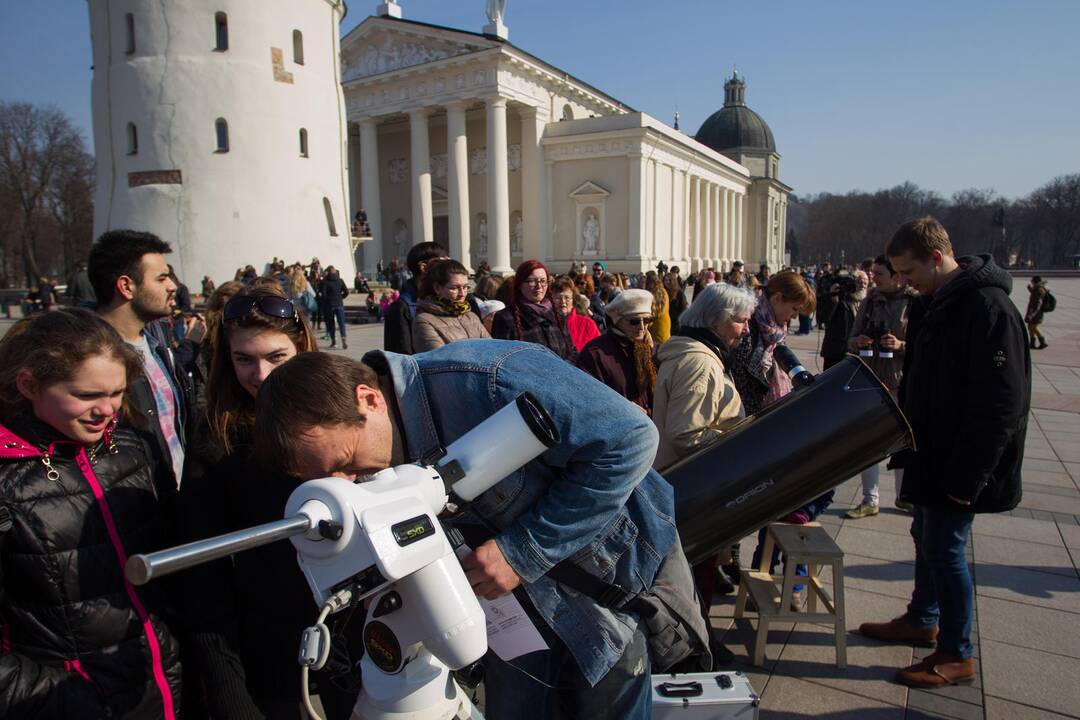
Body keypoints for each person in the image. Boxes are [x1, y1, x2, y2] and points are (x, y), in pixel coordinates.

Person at [252, 344, 680, 719]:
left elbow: (630, 437)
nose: (349, 483)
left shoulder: (484, 379)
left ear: (369, 400)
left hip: (603, 597)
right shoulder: (359, 458)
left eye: (345, 461)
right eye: (329, 480)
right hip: (508, 624)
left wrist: (522, 552)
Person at [859, 218, 1030, 689]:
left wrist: (967, 480)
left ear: (937, 257)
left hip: (960, 463)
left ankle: (956, 653)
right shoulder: (940, 300)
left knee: (945, 550)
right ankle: (922, 617)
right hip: (933, 452)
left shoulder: (987, 307)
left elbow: (1001, 406)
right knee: (925, 538)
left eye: (908, 270)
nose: (902, 281)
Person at [177, 285, 362, 718]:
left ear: (304, 347)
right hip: (271, 645)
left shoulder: (348, 414)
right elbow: (202, 577)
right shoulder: (217, 437)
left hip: (360, 636)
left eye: (277, 357)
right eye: (244, 359)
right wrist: (228, 690)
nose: (261, 375)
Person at [0, 308, 182, 719]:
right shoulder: (6, 481)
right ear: (29, 384)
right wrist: (69, 701)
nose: (107, 410)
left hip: (160, 687)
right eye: (86, 396)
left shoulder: (134, 449)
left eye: (117, 393)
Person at [651, 282, 756, 625]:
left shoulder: (698, 353)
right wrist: (739, 437)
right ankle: (698, 648)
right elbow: (686, 434)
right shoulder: (699, 362)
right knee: (695, 579)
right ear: (717, 321)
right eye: (741, 320)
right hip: (692, 486)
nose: (746, 328)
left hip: (688, 483)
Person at [728, 270, 821, 605]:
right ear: (776, 298)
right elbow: (741, 378)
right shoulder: (749, 325)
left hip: (765, 419)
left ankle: (758, 573)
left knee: (784, 504)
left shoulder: (772, 328)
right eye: (793, 310)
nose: (793, 319)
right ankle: (740, 565)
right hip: (747, 421)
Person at [89, 230, 194, 491]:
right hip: (130, 509)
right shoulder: (85, 359)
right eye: (161, 278)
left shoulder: (158, 343)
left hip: (175, 500)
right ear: (126, 286)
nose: (173, 286)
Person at [846, 256, 914, 518]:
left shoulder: (913, 302)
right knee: (870, 442)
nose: (873, 278)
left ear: (896, 276)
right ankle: (869, 499)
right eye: (872, 273)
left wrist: (900, 346)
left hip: (899, 380)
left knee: (903, 440)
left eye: (880, 274)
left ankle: (904, 496)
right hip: (871, 378)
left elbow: (924, 345)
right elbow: (851, 338)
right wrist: (859, 341)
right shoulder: (870, 301)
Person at [576, 288, 658, 414]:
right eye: (634, 321)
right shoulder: (596, 353)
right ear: (617, 321)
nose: (642, 327)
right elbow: (585, 396)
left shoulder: (656, 350)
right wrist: (620, 407)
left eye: (647, 320)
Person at [490, 260, 577, 362]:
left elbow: (571, 352)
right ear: (520, 284)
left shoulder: (557, 315)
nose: (539, 286)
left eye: (543, 281)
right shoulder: (506, 318)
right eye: (532, 281)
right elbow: (502, 360)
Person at [411, 259, 489, 352]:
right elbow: (439, 360)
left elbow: (491, 349)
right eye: (454, 288)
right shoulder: (425, 320)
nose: (462, 293)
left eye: (465, 287)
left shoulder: (471, 316)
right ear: (437, 288)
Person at [384, 242, 448, 354]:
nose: (449, 268)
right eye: (443, 263)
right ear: (423, 267)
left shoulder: (447, 300)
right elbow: (401, 356)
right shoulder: (401, 308)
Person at [820, 270, 868, 369]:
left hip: (858, 352)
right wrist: (833, 297)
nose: (862, 285)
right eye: (859, 282)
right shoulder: (840, 299)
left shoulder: (868, 302)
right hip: (837, 352)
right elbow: (823, 317)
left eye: (865, 282)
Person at [550, 275, 599, 351]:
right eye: (558, 298)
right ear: (552, 299)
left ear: (573, 299)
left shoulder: (588, 324)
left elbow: (599, 351)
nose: (563, 302)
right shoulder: (547, 324)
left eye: (567, 298)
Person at [318, 265, 350, 349]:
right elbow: (346, 291)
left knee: (331, 323)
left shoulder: (325, 281)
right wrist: (341, 297)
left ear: (328, 272)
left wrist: (325, 300)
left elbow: (324, 295)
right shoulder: (340, 280)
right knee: (341, 322)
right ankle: (343, 338)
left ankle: (334, 342)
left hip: (329, 305)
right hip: (339, 304)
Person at [645, 271, 671, 344]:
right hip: (664, 326)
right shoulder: (663, 291)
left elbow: (655, 312)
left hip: (657, 328)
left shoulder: (656, 294)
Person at [1025, 276, 1049, 349]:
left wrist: (1032, 314)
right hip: (1034, 312)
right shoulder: (1037, 288)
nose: (1031, 282)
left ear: (1035, 281)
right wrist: (1030, 289)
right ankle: (1032, 343)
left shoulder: (1039, 289)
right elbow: (1035, 295)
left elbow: (1038, 303)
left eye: (1032, 281)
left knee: (1033, 327)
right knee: (1030, 327)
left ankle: (1042, 342)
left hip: (1036, 313)